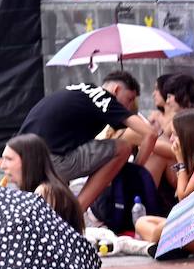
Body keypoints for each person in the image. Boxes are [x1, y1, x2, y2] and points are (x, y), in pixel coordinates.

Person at [17, 71, 159, 212]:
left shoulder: (81, 90)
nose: (129, 107)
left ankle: (55, 214)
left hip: (22, 159)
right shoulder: (105, 98)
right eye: (129, 99)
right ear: (116, 90)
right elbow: (150, 133)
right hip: (52, 161)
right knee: (123, 148)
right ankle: (77, 212)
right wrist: (135, 169)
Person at [133, 109, 194, 257]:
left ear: (188, 134)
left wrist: (180, 162)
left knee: (164, 229)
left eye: (175, 134)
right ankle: (168, 245)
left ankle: (164, 244)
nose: (171, 139)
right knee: (141, 222)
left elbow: (183, 197)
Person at [0, 134, 85, 233]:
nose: (2, 166)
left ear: (28, 160)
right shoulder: (45, 188)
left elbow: (37, 235)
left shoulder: (45, 191)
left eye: (9, 159)